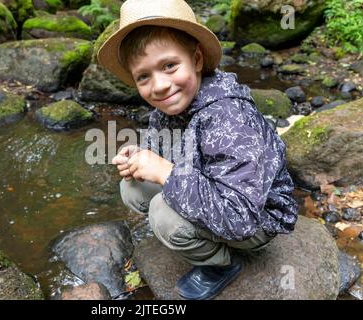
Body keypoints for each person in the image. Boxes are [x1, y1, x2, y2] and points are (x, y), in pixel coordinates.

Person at [97, 0, 298, 300]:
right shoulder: (166, 110)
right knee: (132, 187)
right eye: (144, 76)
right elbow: (158, 148)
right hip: (205, 187)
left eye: (169, 66)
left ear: (198, 59)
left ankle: (221, 264)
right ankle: (201, 236)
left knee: (163, 215)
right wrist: (139, 157)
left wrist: (164, 171)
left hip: (257, 216)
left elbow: (240, 218)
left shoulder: (230, 116)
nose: (160, 85)